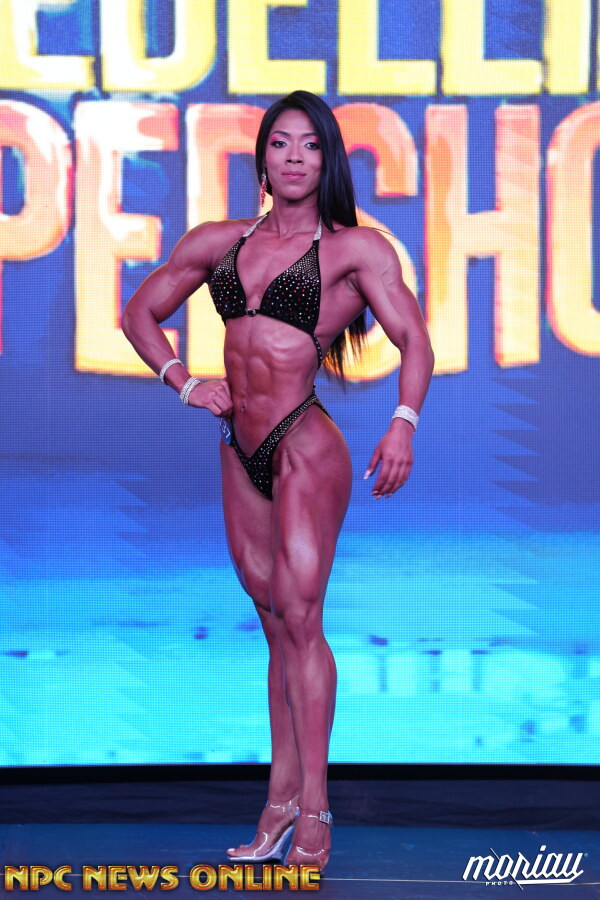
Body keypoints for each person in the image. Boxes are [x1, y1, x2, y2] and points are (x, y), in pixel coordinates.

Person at [121, 89, 435, 874]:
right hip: (240, 445)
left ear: (328, 161)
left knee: (301, 618)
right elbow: (139, 312)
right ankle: (279, 802)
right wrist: (183, 381)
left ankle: (316, 809)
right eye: (281, 143)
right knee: (272, 622)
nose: (294, 156)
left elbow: (415, 339)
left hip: (305, 444)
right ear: (262, 157)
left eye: (310, 145)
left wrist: (403, 422)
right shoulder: (218, 241)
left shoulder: (354, 251)